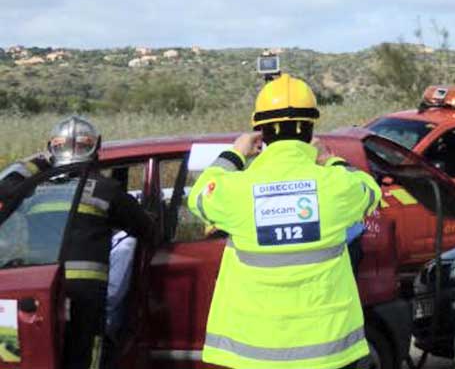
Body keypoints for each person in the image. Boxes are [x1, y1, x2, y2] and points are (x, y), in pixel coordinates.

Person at [187, 74, 381, 369]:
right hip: (327, 354)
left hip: (254, 355)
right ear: (310, 128)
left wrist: (235, 152)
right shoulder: (336, 185)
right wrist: (329, 159)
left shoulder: (238, 190)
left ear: (260, 131)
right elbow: (369, 191)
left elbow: (199, 195)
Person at [0, 116, 156, 369]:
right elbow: (147, 230)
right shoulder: (106, 190)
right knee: (84, 360)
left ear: (53, 148)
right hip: (85, 296)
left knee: (28, 358)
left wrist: (37, 162)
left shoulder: (33, 190)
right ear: (96, 148)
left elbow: (4, 187)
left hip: (35, 291)